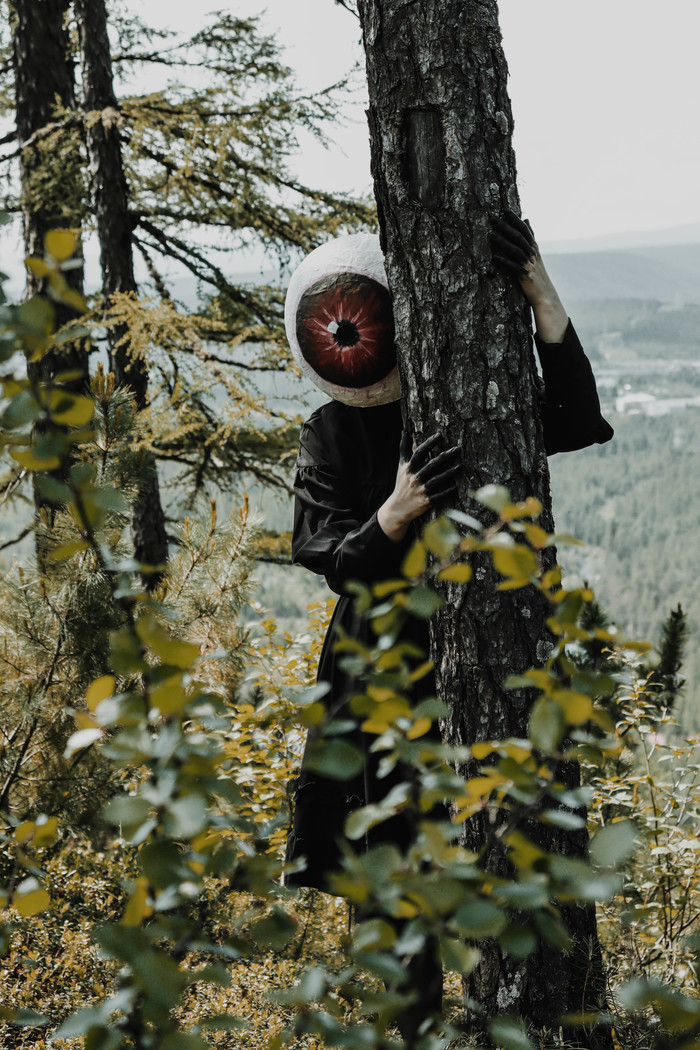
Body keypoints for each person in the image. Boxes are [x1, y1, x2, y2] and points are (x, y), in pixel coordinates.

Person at [283, 212, 613, 1032]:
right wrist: (393, 514)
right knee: (394, 889)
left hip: (484, 658)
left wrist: (541, 295)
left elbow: (575, 418)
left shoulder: (460, 398)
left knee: (506, 864)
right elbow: (331, 557)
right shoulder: (328, 435)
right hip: (378, 684)